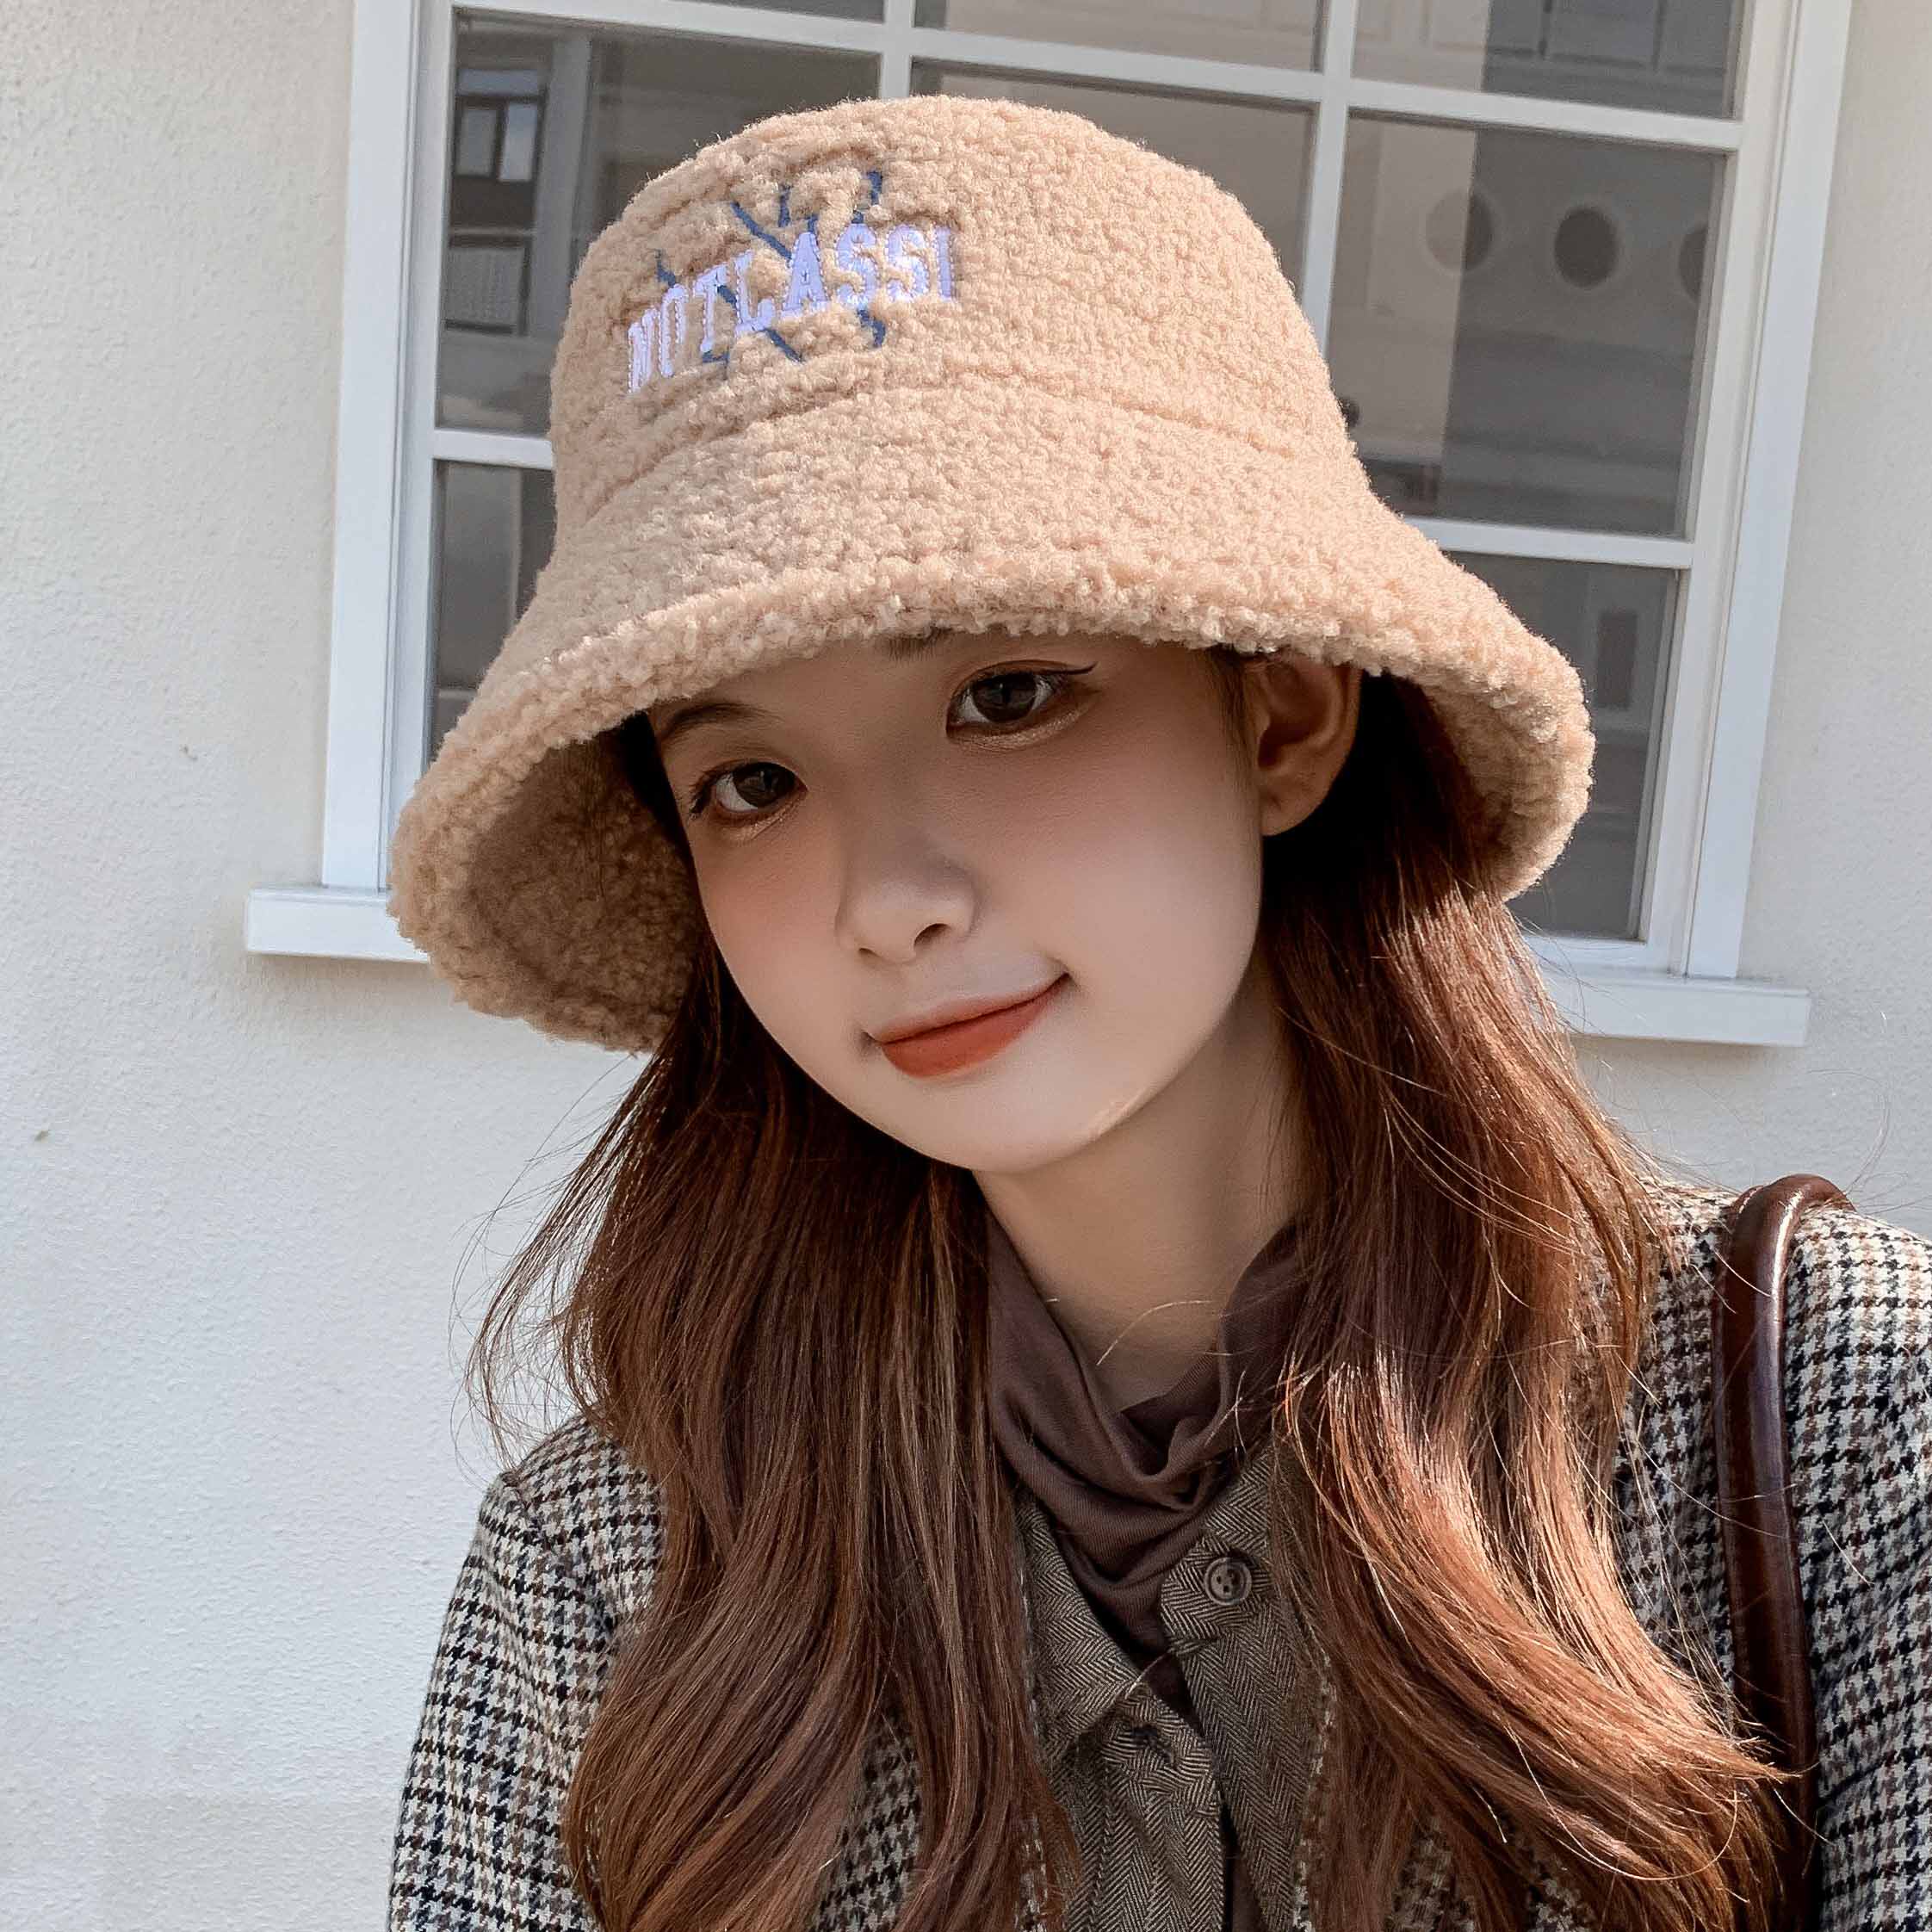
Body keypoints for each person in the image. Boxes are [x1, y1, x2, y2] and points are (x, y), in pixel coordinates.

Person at [381, 95, 1931, 1932]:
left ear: (1282, 718)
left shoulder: (1835, 1417)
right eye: (754, 783)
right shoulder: (617, 1569)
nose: (887, 897)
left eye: (1008, 694)